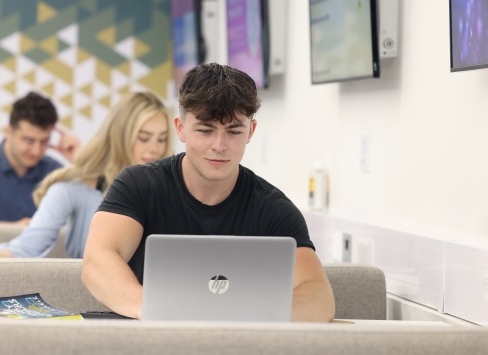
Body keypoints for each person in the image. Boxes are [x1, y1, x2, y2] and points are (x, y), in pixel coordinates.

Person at [81, 63, 336, 322]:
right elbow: (96, 263)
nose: (220, 146)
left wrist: (255, 318)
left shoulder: (274, 209)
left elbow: (318, 297)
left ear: (251, 131)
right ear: (180, 128)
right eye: (205, 130)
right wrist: (153, 309)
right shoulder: (138, 185)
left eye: (234, 131)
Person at [0, 91, 173, 258]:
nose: (155, 149)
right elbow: (30, 244)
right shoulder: (73, 189)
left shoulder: (169, 188)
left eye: (162, 139)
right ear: (120, 136)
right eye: (144, 138)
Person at [0, 91, 80, 225]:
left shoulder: (53, 170)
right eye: (29, 140)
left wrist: (78, 159)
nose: (36, 151)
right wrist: (12, 229)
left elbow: (87, 211)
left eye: (44, 142)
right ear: (8, 132)